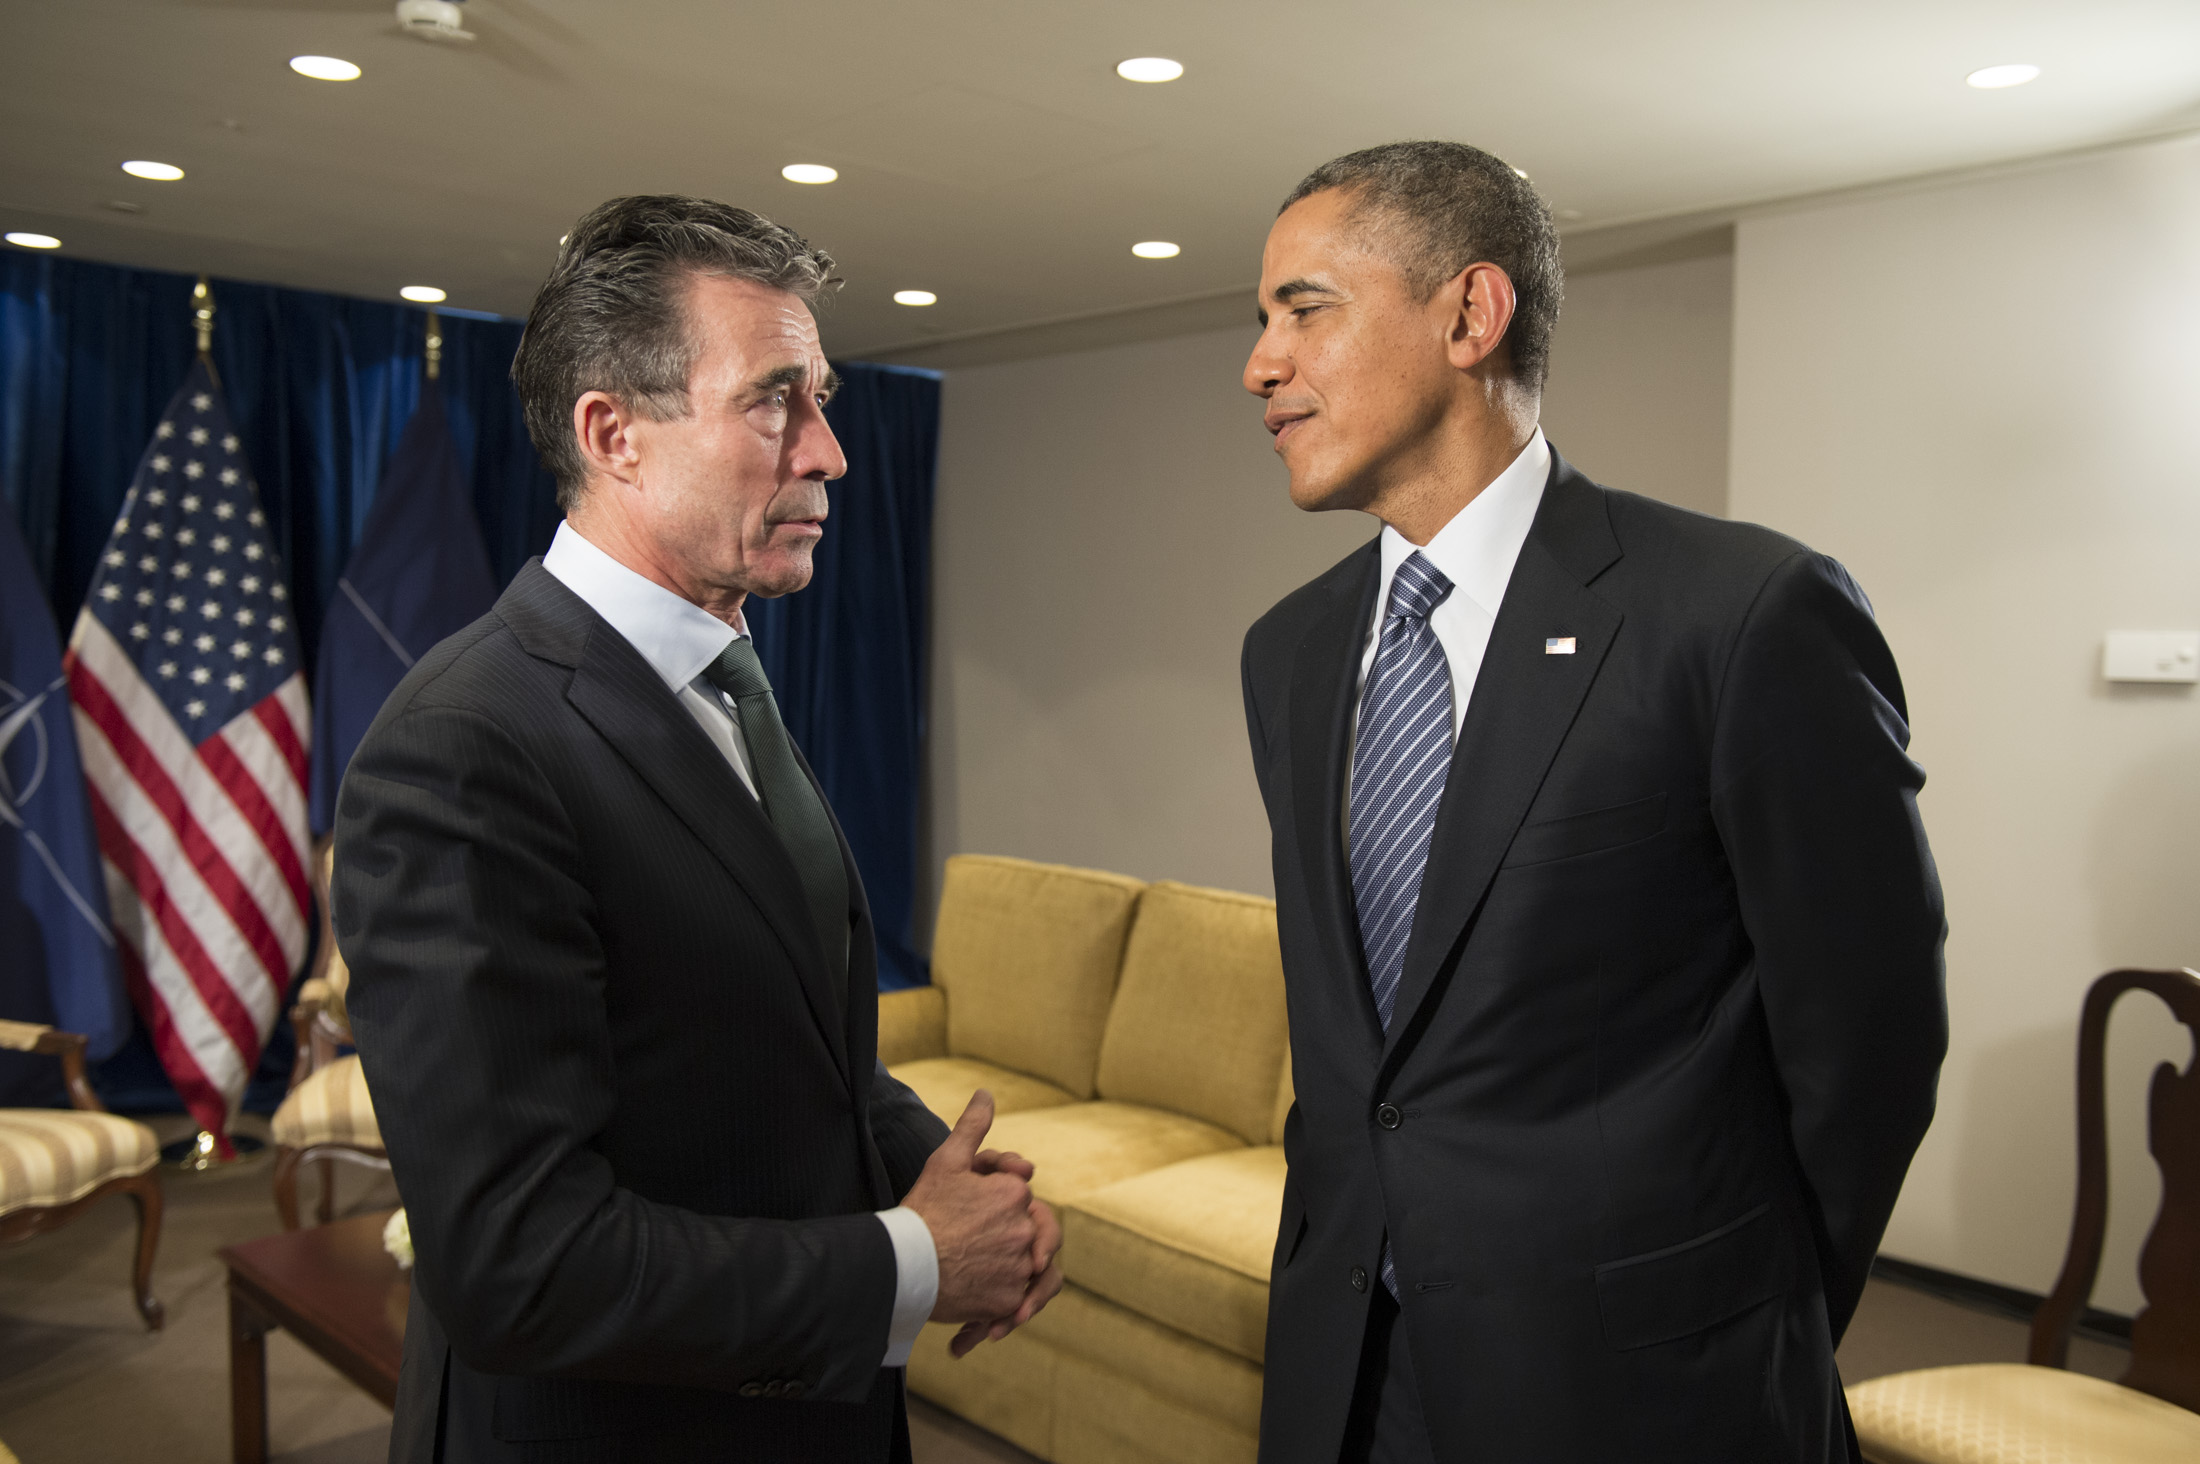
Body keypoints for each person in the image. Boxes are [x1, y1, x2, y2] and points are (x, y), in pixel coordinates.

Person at [1238, 143, 1947, 1463]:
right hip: (1350, 1373)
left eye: (1304, 309)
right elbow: (1361, 1062)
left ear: (1469, 313)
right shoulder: (1288, 653)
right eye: (1262, 322)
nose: (1260, 365)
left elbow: (1873, 1036)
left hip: (1647, 1390)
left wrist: (1755, 1305)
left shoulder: (1739, 616)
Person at [334, 195, 1061, 1464]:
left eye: (821, 399)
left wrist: (941, 1172)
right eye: (776, 400)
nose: (830, 452)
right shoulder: (463, 746)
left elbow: (765, 1040)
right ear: (613, 433)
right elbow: (520, 1263)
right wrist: (914, 1257)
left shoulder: (726, 677)